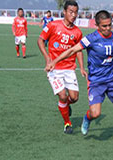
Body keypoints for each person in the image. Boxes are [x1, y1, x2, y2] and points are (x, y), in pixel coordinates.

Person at [46, 10, 113, 144]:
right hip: (96, 81)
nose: (108, 28)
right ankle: (87, 118)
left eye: (109, 25)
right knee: (95, 113)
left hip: (112, 78)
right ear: (97, 25)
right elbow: (73, 50)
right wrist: (54, 62)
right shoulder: (90, 38)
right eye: (104, 26)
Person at [37, 1, 87, 134]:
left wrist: (82, 68)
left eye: (76, 12)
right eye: (71, 12)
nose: (74, 15)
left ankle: (65, 106)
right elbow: (40, 40)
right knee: (63, 96)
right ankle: (67, 123)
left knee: (74, 98)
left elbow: (79, 51)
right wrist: (47, 58)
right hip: (54, 69)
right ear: (64, 12)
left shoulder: (77, 32)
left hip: (70, 69)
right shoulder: (53, 25)